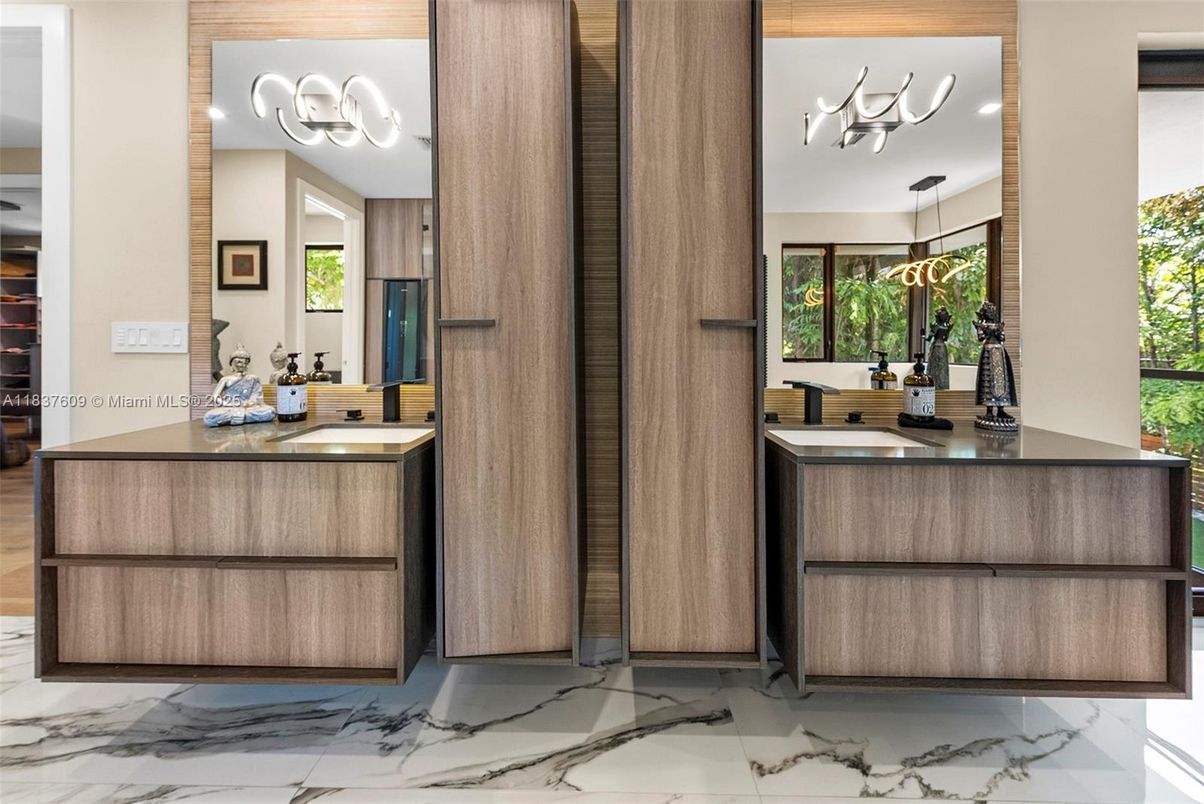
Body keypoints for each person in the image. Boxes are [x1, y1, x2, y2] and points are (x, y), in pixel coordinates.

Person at [203, 344, 276, 427]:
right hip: (230, 407)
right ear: (232, 364)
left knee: (270, 411)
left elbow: (257, 395)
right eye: (239, 362)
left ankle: (233, 419)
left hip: (248, 408)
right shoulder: (226, 379)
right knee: (209, 417)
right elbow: (215, 397)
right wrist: (227, 404)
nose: (242, 364)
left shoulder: (253, 378)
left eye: (245, 362)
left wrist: (250, 403)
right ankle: (244, 418)